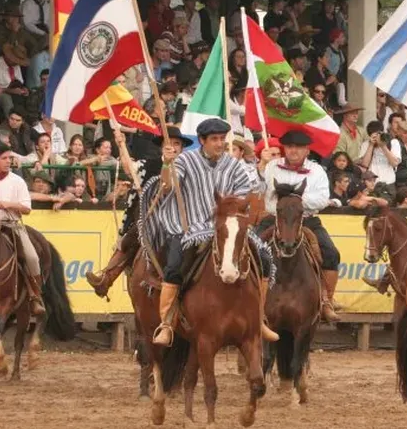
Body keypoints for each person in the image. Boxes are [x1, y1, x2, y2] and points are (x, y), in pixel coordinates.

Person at [144, 118, 276, 347]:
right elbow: (167, 187)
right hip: (190, 226)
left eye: (222, 139)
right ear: (202, 141)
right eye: (214, 139)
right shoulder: (184, 160)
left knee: (264, 258)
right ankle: (166, 323)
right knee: (174, 265)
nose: (219, 144)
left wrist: (231, 215)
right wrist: (167, 164)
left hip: (227, 225)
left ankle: (259, 317)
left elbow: (245, 196)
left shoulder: (234, 165)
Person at [86, 127, 192, 296]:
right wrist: (121, 144)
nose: (173, 147)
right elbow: (129, 168)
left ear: (182, 148)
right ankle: (106, 278)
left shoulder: (191, 167)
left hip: (186, 220)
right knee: (132, 236)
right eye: (168, 143)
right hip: (153, 217)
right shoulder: (149, 165)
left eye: (177, 143)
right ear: (161, 147)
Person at [257, 130, 340, 323]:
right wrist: (261, 166)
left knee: (331, 253)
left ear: (307, 151)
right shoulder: (271, 166)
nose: (293, 151)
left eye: (299, 147)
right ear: (284, 148)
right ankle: (249, 300)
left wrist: (295, 198)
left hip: (306, 219)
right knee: (251, 250)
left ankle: (326, 300)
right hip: (274, 218)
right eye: (289, 147)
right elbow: (258, 189)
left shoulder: (317, 171)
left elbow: (321, 200)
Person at [0, 142, 44, 315]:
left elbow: (27, 209)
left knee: (31, 257)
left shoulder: (17, 181)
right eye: (4, 158)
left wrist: (9, 204)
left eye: (10, 158)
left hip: (12, 225)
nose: (8, 161)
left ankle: (35, 296)